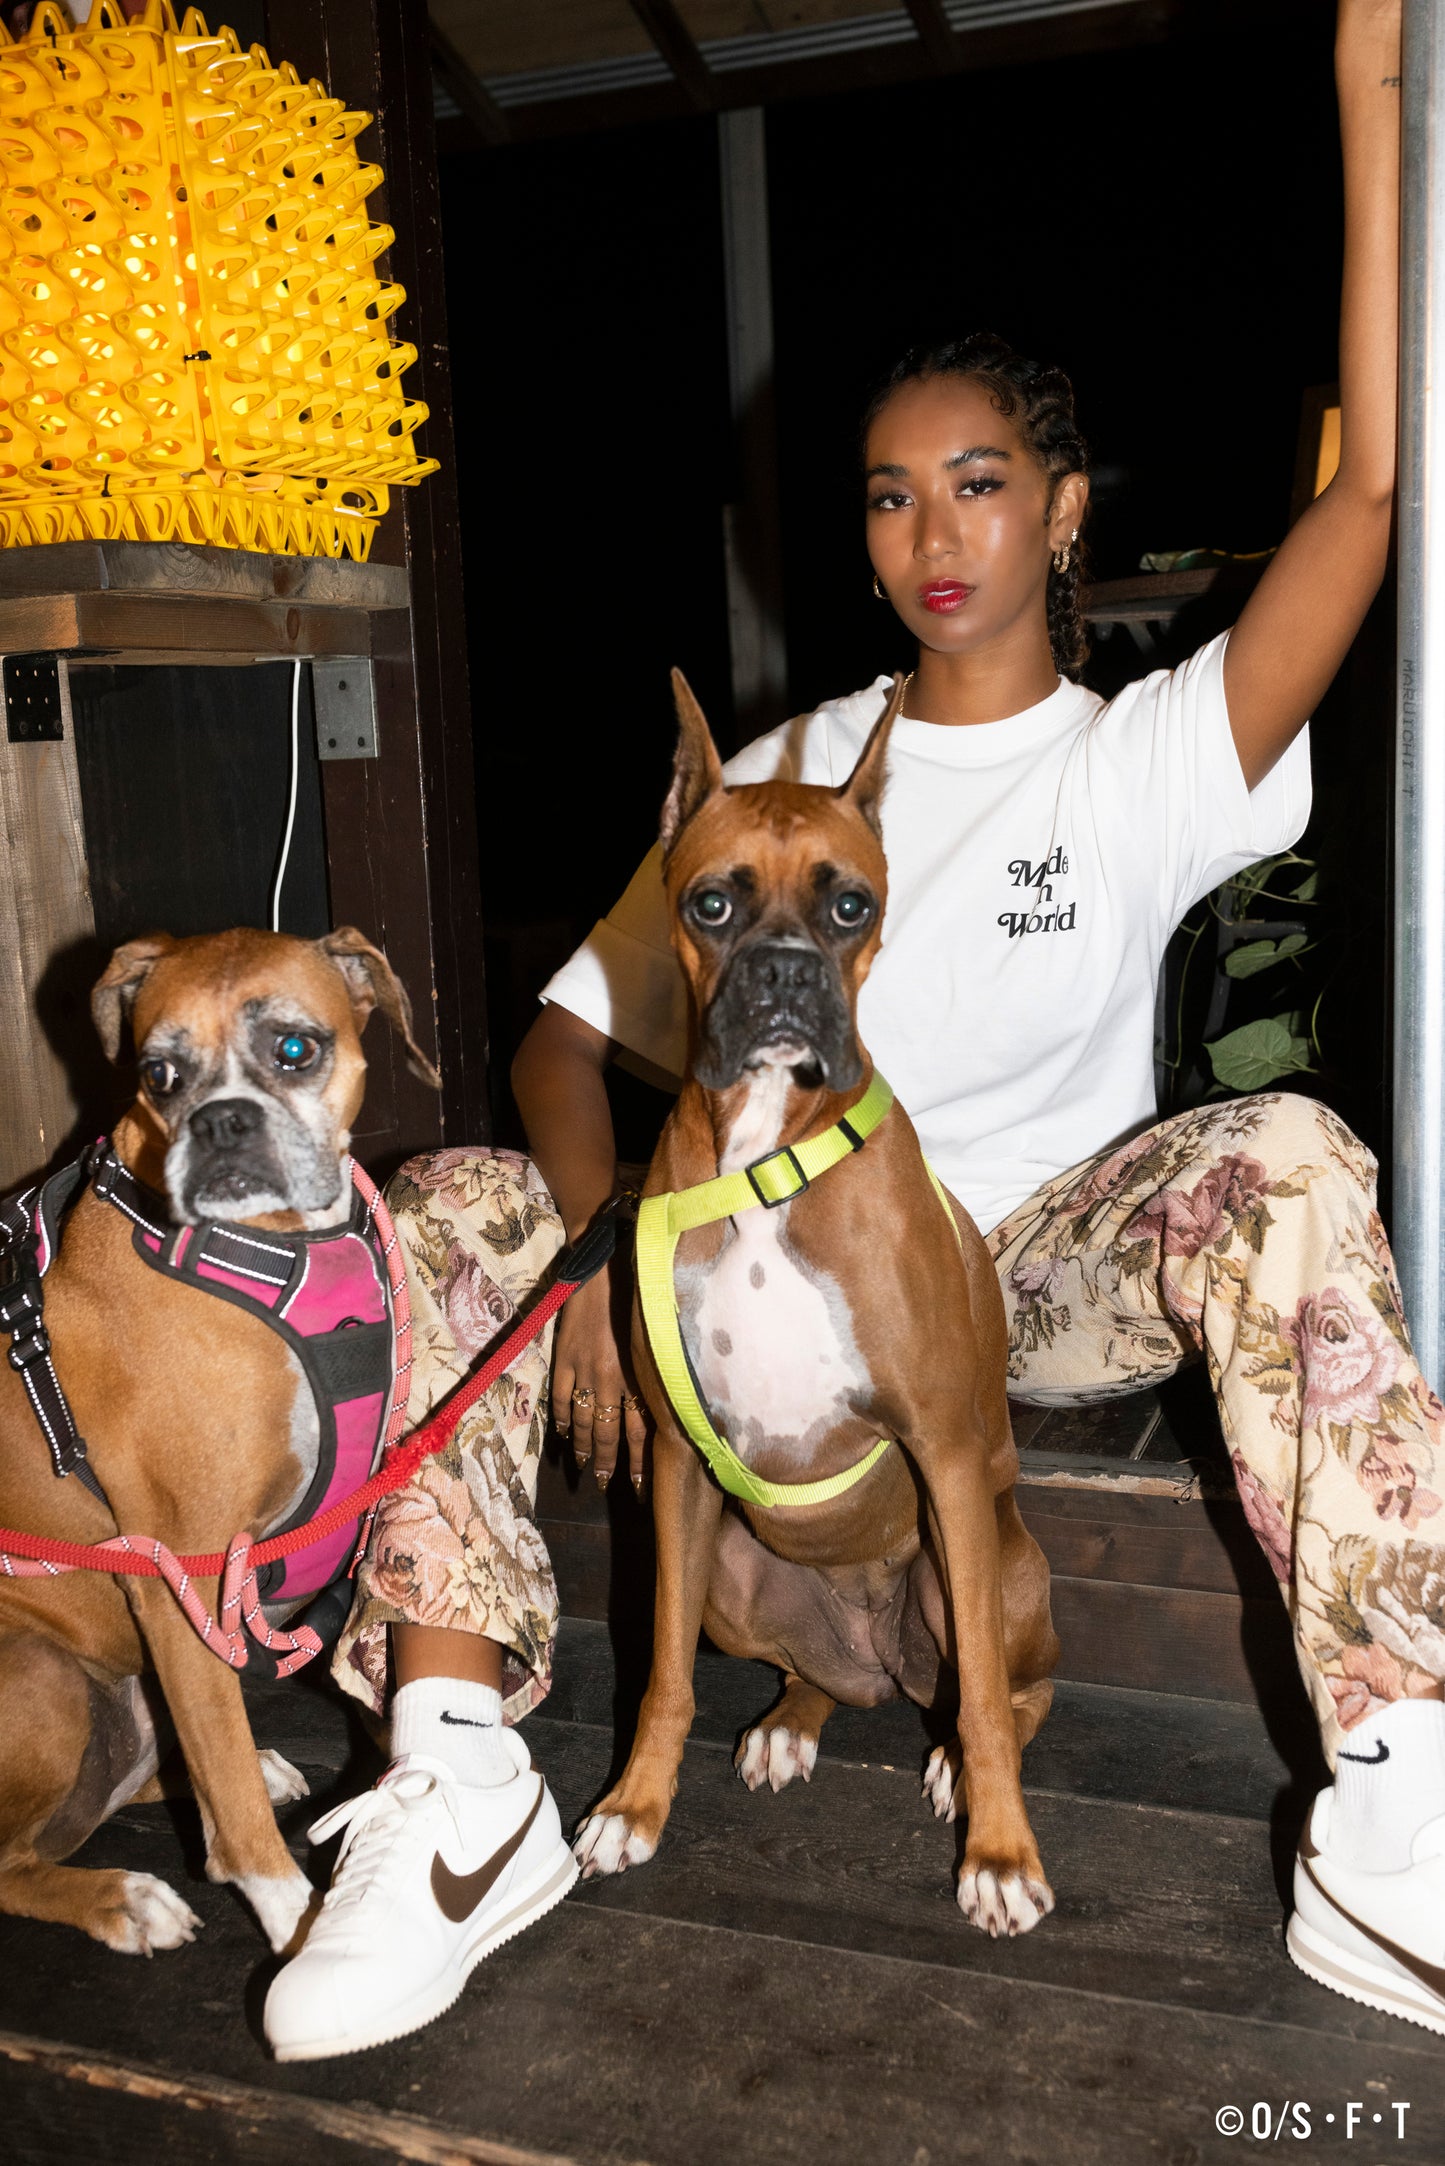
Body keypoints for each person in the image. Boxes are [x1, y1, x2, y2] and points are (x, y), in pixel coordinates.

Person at [268, 0, 1438, 2056]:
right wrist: (609, 1257)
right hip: (734, 1249)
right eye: (892, 495)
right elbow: (558, 1043)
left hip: (1024, 1265)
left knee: (1285, 1153)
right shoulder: (780, 779)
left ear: (1064, 508)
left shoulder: (1148, 755)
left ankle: (1399, 1781)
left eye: (980, 485)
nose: (932, 533)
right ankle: (453, 1770)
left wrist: (1369, 93)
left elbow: (1363, 502)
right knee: (443, 1196)